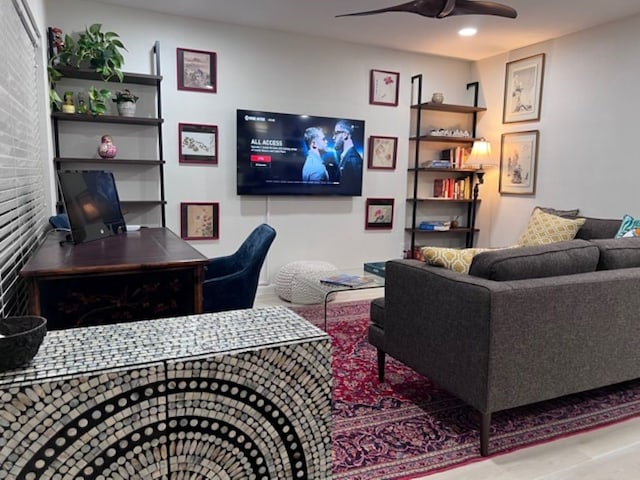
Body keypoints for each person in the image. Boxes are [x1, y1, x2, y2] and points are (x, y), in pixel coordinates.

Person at [333, 120, 363, 194]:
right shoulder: (346, 156)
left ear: (345, 134)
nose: (333, 137)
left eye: (336, 133)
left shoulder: (353, 159)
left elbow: (353, 190)